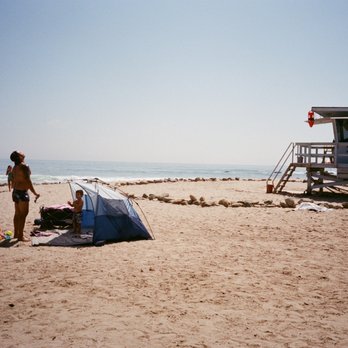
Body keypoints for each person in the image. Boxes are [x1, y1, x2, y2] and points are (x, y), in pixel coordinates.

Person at [10, 151, 40, 242]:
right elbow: (28, 181)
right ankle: (20, 236)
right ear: (19, 156)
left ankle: (16, 233)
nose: (22, 152)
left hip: (15, 191)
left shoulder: (15, 167)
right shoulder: (24, 166)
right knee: (23, 214)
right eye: (20, 152)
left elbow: (13, 180)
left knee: (17, 213)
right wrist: (35, 193)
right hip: (22, 192)